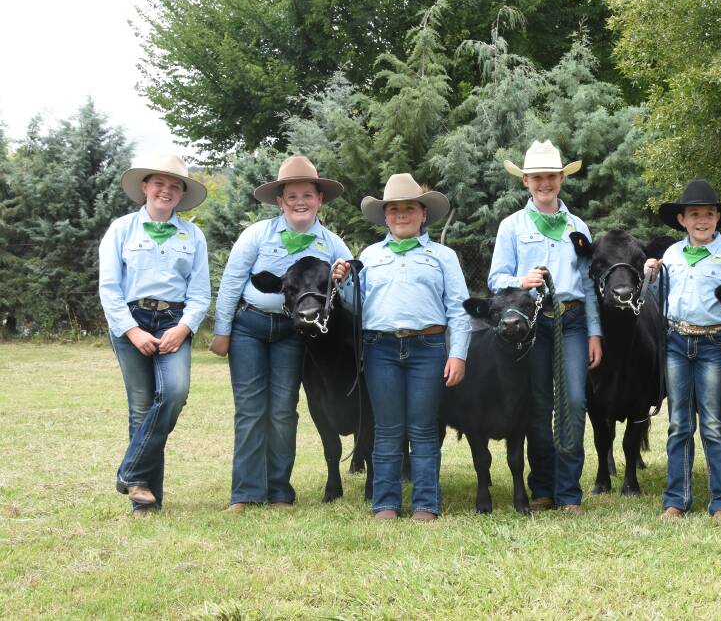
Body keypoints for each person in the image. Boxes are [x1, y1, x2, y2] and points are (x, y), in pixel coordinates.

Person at [210, 155, 352, 512]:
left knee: (283, 410)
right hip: (250, 327)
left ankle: (279, 491)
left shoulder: (333, 244)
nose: (300, 202)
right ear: (280, 201)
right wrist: (222, 330)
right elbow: (231, 283)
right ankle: (244, 492)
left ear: (320, 199)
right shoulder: (256, 236)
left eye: (308, 195)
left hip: (295, 333)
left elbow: (352, 294)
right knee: (250, 408)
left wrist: (344, 279)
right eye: (292, 196)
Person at [330, 174, 470, 521]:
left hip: (428, 346)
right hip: (381, 348)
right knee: (388, 428)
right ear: (385, 216)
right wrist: (343, 284)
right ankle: (386, 503)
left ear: (423, 213)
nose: (401, 215)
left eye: (409, 208)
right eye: (394, 209)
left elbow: (458, 308)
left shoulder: (443, 256)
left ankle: (425, 503)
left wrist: (458, 353)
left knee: (423, 428)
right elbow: (358, 306)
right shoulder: (370, 255)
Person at [487, 140, 602, 513]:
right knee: (538, 405)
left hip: (571, 321)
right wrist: (521, 280)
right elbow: (495, 280)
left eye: (551, 177)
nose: (544, 184)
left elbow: (587, 283)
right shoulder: (512, 226)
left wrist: (595, 332)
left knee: (573, 401)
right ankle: (543, 488)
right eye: (536, 178)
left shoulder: (577, 226)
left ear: (560, 180)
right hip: (531, 324)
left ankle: (569, 492)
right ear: (526, 182)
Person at [98, 153, 210, 516]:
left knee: (174, 393)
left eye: (174, 185)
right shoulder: (121, 230)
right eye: (158, 183)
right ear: (145, 187)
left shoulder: (193, 235)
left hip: (174, 321)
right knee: (142, 407)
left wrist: (184, 327)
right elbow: (109, 288)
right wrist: (131, 331)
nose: (166, 190)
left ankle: (129, 471)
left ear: (181, 194)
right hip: (130, 320)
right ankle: (144, 498)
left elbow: (200, 292)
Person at [643, 179, 721, 520]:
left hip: (714, 343)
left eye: (708, 214)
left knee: (715, 423)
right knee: (679, 424)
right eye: (694, 215)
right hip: (677, 342)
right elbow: (662, 301)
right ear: (682, 220)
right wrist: (652, 275)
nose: (701, 221)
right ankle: (677, 500)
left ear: (718, 218)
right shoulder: (672, 255)